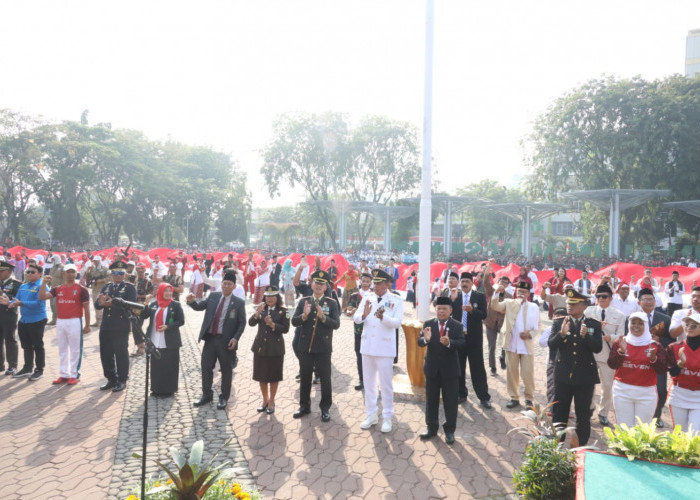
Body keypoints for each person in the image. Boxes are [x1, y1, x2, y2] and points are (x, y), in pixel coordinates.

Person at [549, 289, 603, 447]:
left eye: (574, 303)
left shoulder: (593, 324)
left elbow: (597, 348)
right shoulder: (560, 322)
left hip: (584, 377)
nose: (569, 306)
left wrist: (587, 337)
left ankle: (579, 449)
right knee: (560, 413)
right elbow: (551, 344)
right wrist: (562, 334)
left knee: (583, 416)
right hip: (563, 376)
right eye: (568, 303)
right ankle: (556, 446)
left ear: (584, 306)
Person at [187, 270, 246, 410]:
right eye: (224, 283)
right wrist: (191, 301)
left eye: (229, 284)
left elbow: (242, 323)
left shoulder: (238, 303)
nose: (226, 286)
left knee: (226, 370)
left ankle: (224, 397)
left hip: (226, 342)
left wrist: (235, 338)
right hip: (210, 339)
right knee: (206, 367)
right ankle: (206, 394)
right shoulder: (213, 296)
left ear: (234, 286)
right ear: (221, 284)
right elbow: (199, 307)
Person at [354, 269, 404, 433]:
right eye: (374, 283)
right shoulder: (367, 297)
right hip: (368, 346)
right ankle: (371, 414)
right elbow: (356, 317)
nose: (375, 286)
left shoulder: (395, 300)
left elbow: (397, 322)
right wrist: (364, 315)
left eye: (378, 283)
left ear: (386, 284)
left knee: (386, 384)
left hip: (384, 348)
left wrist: (384, 318)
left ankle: (387, 417)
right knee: (369, 383)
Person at [291, 270, 340, 422]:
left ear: (326, 287)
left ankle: (325, 408)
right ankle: (304, 406)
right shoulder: (303, 301)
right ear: (311, 284)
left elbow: (336, 324)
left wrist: (323, 317)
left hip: (323, 348)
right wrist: (304, 316)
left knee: (325, 379)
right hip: (305, 347)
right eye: (316, 283)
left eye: (322, 284)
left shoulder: (331, 303)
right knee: (305, 377)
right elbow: (293, 321)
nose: (318, 286)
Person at [417, 296, 465, 445]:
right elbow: (420, 342)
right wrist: (426, 339)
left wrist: (450, 342)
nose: (441, 311)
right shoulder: (428, 324)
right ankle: (431, 428)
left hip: (450, 371)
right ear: (435, 309)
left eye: (445, 309)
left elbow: (463, 343)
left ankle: (449, 430)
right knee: (431, 400)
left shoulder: (457, 325)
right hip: (432, 369)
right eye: (439, 308)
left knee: (450, 401)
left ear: (450, 310)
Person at [607, 312, 669, 427]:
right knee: (624, 428)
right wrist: (621, 352)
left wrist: (653, 358)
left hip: (646, 394)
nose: (636, 326)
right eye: (633, 323)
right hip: (622, 391)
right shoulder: (621, 342)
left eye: (640, 323)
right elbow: (612, 364)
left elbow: (662, 370)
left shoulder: (655, 345)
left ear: (646, 326)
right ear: (629, 324)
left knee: (641, 430)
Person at [492, 281, 540, 409]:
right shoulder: (509, 303)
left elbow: (538, 326)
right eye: (519, 291)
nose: (521, 294)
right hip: (511, 343)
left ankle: (529, 398)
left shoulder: (534, 307)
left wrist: (529, 334)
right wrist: (497, 292)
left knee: (527, 373)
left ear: (528, 294)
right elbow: (495, 306)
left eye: (523, 292)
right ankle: (514, 397)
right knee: (512, 372)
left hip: (526, 345)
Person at [586, 283, 626, 427]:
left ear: (610, 298)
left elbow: (621, 335)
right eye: (598, 296)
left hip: (608, 355)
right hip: (590, 354)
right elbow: (584, 330)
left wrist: (611, 337)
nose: (601, 299)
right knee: (588, 384)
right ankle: (589, 409)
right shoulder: (589, 312)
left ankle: (603, 413)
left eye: (604, 296)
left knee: (607, 387)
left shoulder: (619, 315)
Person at [94, 261, 138, 392]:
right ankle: (111, 378)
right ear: (111, 274)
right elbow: (98, 304)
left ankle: (122, 379)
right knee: (106, 353)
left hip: (120, 325)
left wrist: (111, 304)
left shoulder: (129, 288)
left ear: (124, 274)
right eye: (116, 273)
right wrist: (101, 303)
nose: (118, 276)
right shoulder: (106, 287)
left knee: (121, 353)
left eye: (121, 273)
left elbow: (131, 305)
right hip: (106, 325)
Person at [451, 272, 491, 408]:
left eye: (467, 281)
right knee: (458, 367)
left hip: (474, 339)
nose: (464, 284)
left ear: (472, 283)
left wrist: (472, 311)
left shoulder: (479, 296)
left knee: (477, 368)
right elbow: (448, 312)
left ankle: (484, 397)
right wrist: (452, 300)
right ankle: (461, 394)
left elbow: (484, 315)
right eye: (462, 281)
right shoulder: (456, 296)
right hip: (459, 338)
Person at [249, 285, 290, 415]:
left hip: (275, 348)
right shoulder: (261, 309)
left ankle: (272, 400)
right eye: (267, 296)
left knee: (273, 376)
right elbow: (251, 323)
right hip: (260, 347)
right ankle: (265, 400)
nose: (270, 299)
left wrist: (272, 325)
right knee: (261, 375)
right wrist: (257, 312)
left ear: (277, 297)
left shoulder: (283, 311)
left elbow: (285, 329)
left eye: (272, 296)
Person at [139, 283, 184, 397]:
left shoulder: (175, 305)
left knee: (169, 365)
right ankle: (156, 388)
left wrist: (168, 327)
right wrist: (146, 303)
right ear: (160, 292)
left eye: (170, 291)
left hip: (170, 341)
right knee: (156, 366)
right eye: (166, 291)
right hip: (154, 340)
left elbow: (181, 321)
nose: (168, 293)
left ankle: (169, 390)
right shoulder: (154, 304)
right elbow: (143, 316)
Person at [636, 287, 672, 428]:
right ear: (639, 303)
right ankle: (639, 418)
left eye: (651, 299)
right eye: (645, 299)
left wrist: (659, 340)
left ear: (655, 301)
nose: (649, 302)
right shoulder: (632, 319)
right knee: (639, 390)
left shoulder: (664, 319)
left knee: (661, 391)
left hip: (658, 361)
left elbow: (671, 341)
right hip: (638, 360)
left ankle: (656, 416)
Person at [667, 312, 700, 435]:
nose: (689, 328)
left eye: (694, 326)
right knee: (680, 435)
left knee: (695, 435)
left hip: (698, 397)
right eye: (687, 324)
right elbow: (672, 373)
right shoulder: (674, 347)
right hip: (679, 394)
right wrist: (681, 364)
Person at [346, 273, 373, 390]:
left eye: (368, 281)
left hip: (371, 331)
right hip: (358, 330)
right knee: (359, 354)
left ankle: (370, 380)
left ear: (371, 282)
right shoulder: (354, 296)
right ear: (360, 281)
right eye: (364, 281)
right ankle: (361, 379)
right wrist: (351, 312)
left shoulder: (374, 296)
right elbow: (348, 309)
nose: (366, 283)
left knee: (370, 355)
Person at [484, 270, 513, 375]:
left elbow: (512, 310)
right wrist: (488, 271)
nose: (503, 284)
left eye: (506, 283)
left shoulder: (509, 296)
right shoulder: (491, 291)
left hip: (502, 324)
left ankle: (502, 357)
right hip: (490, 323)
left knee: (505, 345)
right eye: (502, 282)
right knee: (491, 347)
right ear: (498, 282)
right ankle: (492, 367)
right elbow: (486, 283)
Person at [0, 261, 21, 376]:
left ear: (9, 271)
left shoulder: (16, 283)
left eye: (1, 271)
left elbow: (18, 299)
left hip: (9, 315)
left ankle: (12, 365)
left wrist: (4, 295)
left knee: (10, 339)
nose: (0, 273)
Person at [83, 256, 109, 326]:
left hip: (102, 289)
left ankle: (101, 321)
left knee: (100, 304)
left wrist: (102, 280)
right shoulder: (93, 269)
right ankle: (97, 321)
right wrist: (87, 270)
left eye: (96, 261)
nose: (95, 262)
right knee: (95, 305)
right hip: (94, 289)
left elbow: (109, 277)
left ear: (100, 261)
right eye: (94, 261)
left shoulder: (104, 269)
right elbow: (87, 277)